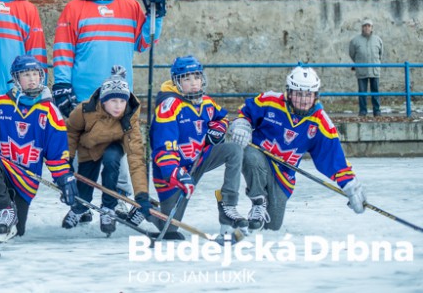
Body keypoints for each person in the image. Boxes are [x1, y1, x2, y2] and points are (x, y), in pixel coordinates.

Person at [227, 66, 367, 232]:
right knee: (247, 154)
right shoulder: (270, 101)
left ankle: (265, 210)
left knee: (272, 227)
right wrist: (242, 125)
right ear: (289, 92)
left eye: (308, 94)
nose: (303, 99)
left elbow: (333, 158)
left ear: (316, 95)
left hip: (283, 177)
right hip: (259, 160)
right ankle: (258, 201)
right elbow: (245, 113)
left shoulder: (321, 122)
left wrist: (350, 186)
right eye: (298, 93)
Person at [51, 0, 166, 118]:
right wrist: (62, 84)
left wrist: (156, 16)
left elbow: (144, 43)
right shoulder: (74, 8)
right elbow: (63, 51)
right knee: (86, 144)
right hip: (85, 96)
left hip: (120, 97)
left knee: (118, 144)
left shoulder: (131, 6)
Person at [0, 55, 77, 241]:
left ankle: (13, 212)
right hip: (4, 166)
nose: (32, 79)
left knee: (18, 231)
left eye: (35, 74)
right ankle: (5, 208)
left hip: (27, 177)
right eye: (26, 74)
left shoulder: (50, 111)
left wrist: (64, 177)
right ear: (16, 79)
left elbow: (56, 152)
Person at [149, 56, 245, 237]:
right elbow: (163, 147)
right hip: (173, 170)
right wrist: (175, 173)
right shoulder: (169, 106)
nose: (194, 83)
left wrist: (219, 128)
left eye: (197, 77)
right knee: (169, 228)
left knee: (234, 150)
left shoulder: (207, 102)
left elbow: (222, 117)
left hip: (200, 159)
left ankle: (228, 203)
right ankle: (145, 210)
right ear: (177, 82)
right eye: (186, 78)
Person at [64, 66, 151, 235]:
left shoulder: (129, 120)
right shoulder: (85, 110)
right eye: (113, 101)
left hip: (114, 145)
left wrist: (142, 194)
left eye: (122, 101)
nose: (118, 106)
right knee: (85, 179)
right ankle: (79, 207)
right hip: (88, 146)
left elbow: (136, 158)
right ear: (103, 100)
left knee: (112, 161)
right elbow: (70, 132)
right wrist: (66, 160)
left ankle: (108, 208)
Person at [348, 19, 383, 117]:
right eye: (365, 26)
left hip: (374, 70)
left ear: (372, 28)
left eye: (369, 26)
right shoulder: (355, 40)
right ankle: (363, 111)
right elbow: (352, 53)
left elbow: (381, 53)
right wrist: (358, 62)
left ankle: (377, 111)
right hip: (361, 70)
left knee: (375, 91)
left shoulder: (378, 40)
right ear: (362, 28)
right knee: (362, 92)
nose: (367, 28)